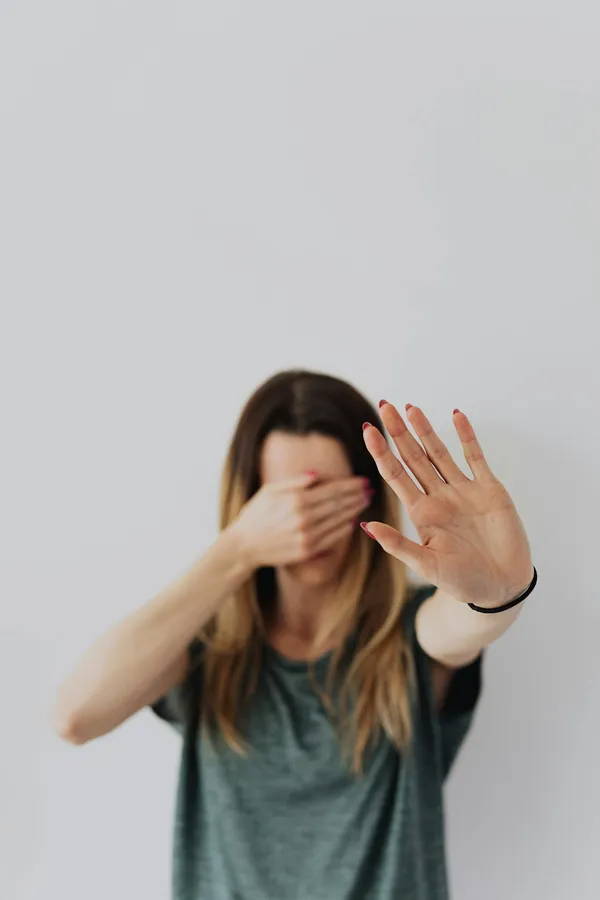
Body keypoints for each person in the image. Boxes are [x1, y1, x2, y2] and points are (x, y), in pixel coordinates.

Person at [53, 369, 536, 900]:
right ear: (249, 501)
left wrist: (499, 592)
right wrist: (237, 549)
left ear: (369, 496)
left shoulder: (406, 628)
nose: (308, 521)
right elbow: (76, 716)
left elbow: (460, 627)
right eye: (288, 498)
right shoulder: (205, 644)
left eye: (332, 494)